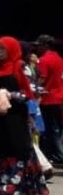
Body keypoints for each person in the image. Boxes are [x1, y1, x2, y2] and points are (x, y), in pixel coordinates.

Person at [0, 37, 50, 195]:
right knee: (2, 148)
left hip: (16, 116)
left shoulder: (19, 66)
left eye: (2, 48)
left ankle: (18, 187)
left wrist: (11, 95)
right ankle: (2, 185)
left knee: (18, 148)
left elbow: (30, 92)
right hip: (0, 115)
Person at [34, 35, 63, 166]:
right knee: (58, 128)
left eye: (39, 45)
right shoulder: (59, 59)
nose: (37, 48)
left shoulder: (43, 60)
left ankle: (57, 155)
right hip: (60, 97)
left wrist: (33, 88)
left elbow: (42, 78)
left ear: (45, 46)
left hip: (48, 99)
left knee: (49, 129)